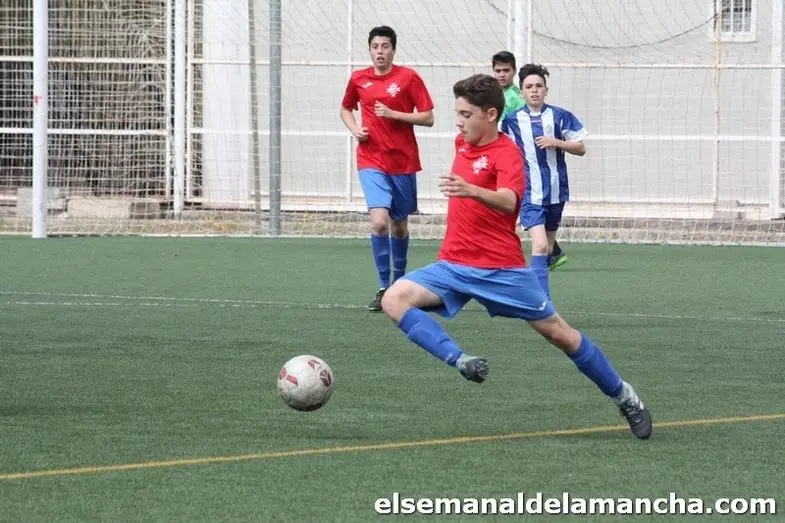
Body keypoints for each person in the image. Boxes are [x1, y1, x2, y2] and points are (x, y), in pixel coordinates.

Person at [380, 73, 651, 440]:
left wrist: (472, 190)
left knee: (560, 335)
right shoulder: (462, 143)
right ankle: (460, 359)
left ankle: (624, 396)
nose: (458, 122)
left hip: (501, 270)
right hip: (453, 265)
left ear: (491, 114)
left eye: (466, 114)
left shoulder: (507, 153)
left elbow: (510, 200)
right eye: (457, 113)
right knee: (393, 299)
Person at [340, 25, 435, 312]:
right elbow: (346, 108)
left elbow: (428, 117)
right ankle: (384, 287)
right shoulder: (358, 79)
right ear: (370, 49)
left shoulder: (408, 78)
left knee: (399, 225)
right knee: (379, 222)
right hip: (371, 159)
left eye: (385, 46)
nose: (379, 51)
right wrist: (355, 130)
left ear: (393, 50)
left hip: (402, 161)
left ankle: (399, 282)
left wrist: (394, 114)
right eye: (375, 46)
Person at [502, 64, 583, 295]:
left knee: (547, 249)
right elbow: (503, 152)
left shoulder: (560, 116)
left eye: (539, 86)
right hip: (529, 193)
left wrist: (556, 142)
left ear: (546, 90)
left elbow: (581, 148)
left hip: (556, 191)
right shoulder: (511, 121)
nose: (534, 90)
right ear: (522, 92)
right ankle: (541, 302)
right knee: (539, 245)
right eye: (529, 87)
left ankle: (534, 289)